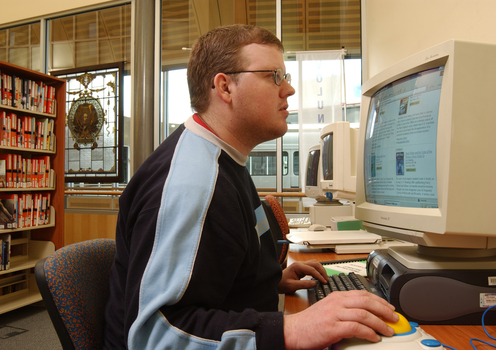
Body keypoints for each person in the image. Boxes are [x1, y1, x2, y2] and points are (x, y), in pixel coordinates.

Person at [103, 24, 398, 350]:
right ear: (225, 87)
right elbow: (155, 337)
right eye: (274, 76)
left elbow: (223, 258)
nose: (289, 90)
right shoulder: (192, 183)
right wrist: (293, 329)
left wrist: (267, 280)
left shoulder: (226, 159)